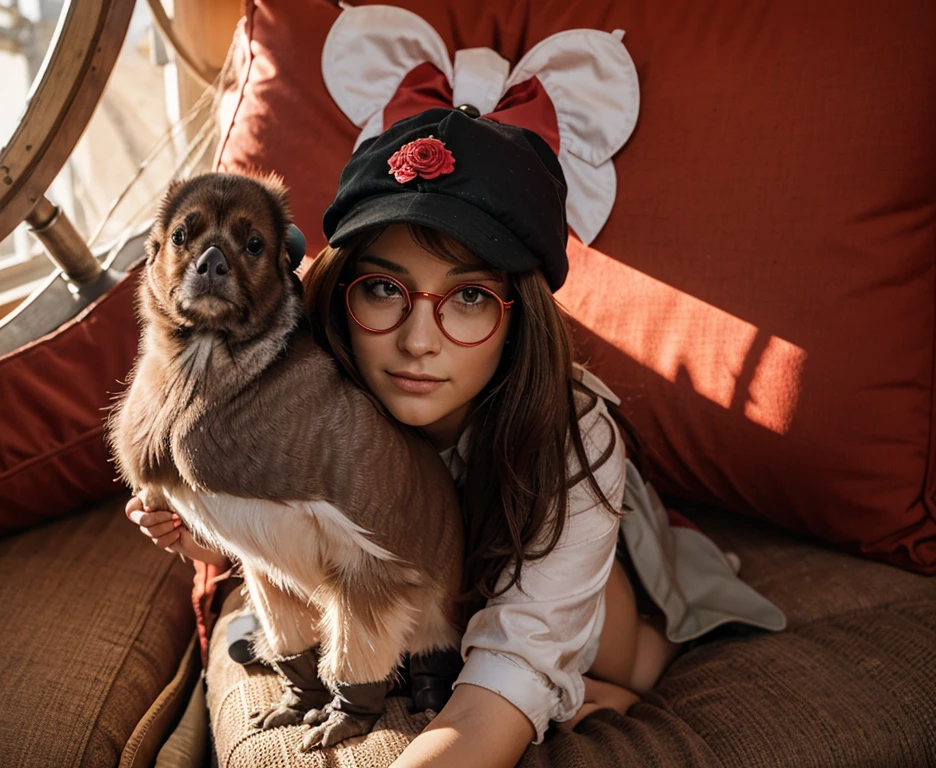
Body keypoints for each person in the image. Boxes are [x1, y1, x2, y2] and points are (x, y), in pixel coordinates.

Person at [125, 108, 783, 766]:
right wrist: (208, 534)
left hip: (538, 518)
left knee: (616, 651)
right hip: (412, 571)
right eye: (385, 288)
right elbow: (294, 524)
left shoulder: (575, 441)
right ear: (339, 286)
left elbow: (501, 688)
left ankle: (627, 651)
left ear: (519, 313)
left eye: (468, 297)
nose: (416, 342)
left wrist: (528, 689)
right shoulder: (301, 369)